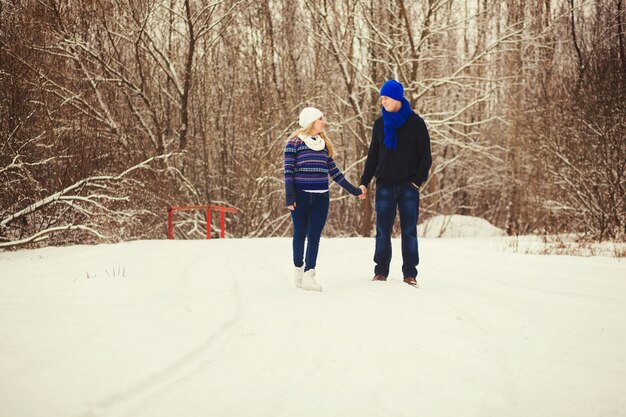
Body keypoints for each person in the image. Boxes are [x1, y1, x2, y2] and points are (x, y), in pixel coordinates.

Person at [359, 80, 432, 287]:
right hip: (384, 185)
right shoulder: (380, 124)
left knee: (409, 231)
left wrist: (416, 182)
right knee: (382, 230)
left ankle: (410, 273)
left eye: (387, 97)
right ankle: (380, 271)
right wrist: (365, 181)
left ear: (398, 98)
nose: (383, 101)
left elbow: (425, 156)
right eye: (381, 98)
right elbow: (373, 156)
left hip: (409, 187)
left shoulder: (415, 123)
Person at [284, 107, 365, 291]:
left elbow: (336, 174)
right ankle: (298, 268)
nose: (324, 122)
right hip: (300, 196)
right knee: (300, 234)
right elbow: (288, 172)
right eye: (321, 119)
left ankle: (309, 274)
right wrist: (290, 196)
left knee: (314, 237)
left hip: (321, 198)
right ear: (312, 121)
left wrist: (355, 190)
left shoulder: (323, 145)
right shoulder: (294, 143)